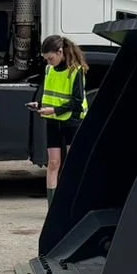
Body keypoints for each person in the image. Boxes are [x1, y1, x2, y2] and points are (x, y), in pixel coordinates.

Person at [37, 34, 89, 199]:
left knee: (72, 165)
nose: (48, 62)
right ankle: (52, 205)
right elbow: (50, 95)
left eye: (50, 58)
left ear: (60, 52)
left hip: (72, 121)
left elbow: (77, 101)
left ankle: (71, 202)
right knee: (53, 163)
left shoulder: (75, 71)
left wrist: (53, 110)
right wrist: (39, 106)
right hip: (53, 122)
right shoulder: (49, 69)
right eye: (46, 59)